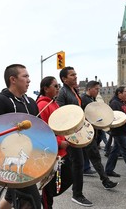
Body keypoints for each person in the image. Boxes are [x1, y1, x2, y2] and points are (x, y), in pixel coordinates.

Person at [0, 64, 41, 209]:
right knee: (32, 201)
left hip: (29, 159)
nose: (29, 80)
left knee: (11, 197)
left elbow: (39, 128)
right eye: (25, 76)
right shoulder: (0, 101)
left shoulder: (30, 102)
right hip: (10, 162)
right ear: (13, 79)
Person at [56, 66, 93, 207]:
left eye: (75, 74)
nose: (75, 76)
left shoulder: (74, 91)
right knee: (77, 163)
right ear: (64, 79)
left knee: (77, 163)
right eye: (72, 75)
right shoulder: (62, 93)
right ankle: (77, 194)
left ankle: (67, 188)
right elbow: (60, 114)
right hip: (69, 134)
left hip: (77, 132)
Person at [36, 76, 73, 209]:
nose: (58, 89)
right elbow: (42, 131)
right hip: (51, 151)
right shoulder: (42, 105)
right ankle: (46, 203)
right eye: (56, 86)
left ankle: (42, 199)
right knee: (49, 187)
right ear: (46, 89)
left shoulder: (54, 103)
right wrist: (58, 142)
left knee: (69, 177)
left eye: (59, 86)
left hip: (61, 151)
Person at [80, 80, 118, 189]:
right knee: (95, 157)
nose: (98, 91)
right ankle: (105, 180)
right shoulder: (84, 100)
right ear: (89, 89)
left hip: (92, 133)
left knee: (86, 158)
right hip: (86, 133)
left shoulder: (92, 99)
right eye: (96, 89)